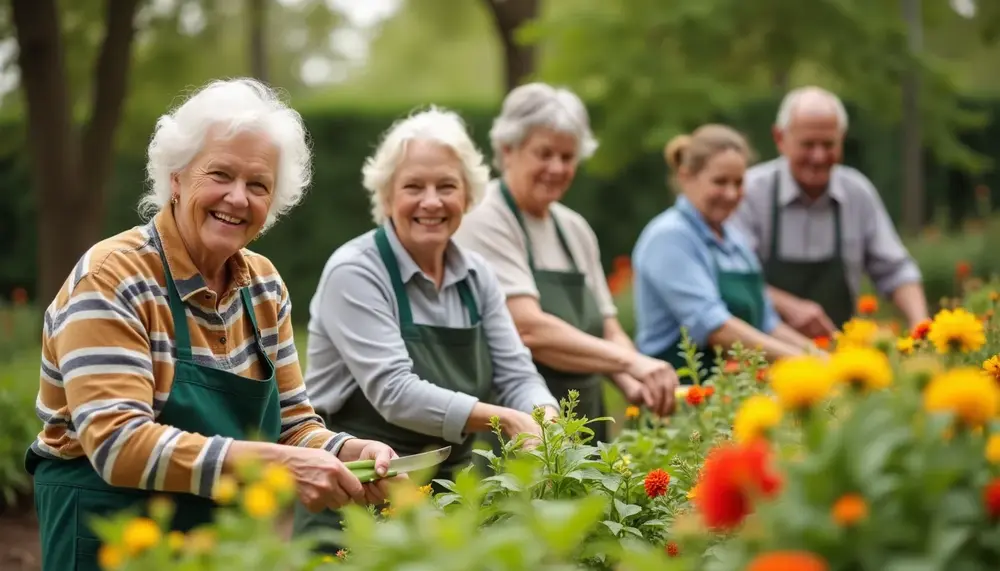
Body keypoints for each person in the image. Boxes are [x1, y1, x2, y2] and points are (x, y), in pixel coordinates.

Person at [26, 78, 400, 571]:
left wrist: (349, 451)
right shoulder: (114, 277)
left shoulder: (263, 286)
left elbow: (293, 426)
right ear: (177, 178)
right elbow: (117, 444)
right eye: (220, 174)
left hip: (221, 543)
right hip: (110, 537)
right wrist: (283, 467)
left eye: (258, 185)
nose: (238, 198)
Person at [292, 107, 560, 551]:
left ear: (468, 196)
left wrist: (545, 421)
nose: (431, 202)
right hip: (357, 500)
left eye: (447, 187)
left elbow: (518, 375)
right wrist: (504, 418)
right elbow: (394, 392)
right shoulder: (356, 271)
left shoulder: (478, 276)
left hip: (452, 502)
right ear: (387, 195)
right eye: (413, 186)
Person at [453, 83, 679, 442]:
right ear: (508, 150)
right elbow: (528, 328)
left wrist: (634, 383)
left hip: (585, 419)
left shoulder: (573, 229)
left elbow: (607, 327)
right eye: (544, 154)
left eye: (567, 156)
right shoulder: (484, 218)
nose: (556, 168)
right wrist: (632, 363)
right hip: (519, 430)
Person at [732, 86, 928, 338]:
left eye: (828, 144)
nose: (818, 156)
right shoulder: (749, 193)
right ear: (780, 138)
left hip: (839, 355)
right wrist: (787, 305)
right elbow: (734, 279)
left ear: (841, 139)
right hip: (758, 358)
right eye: (808, 144)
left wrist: (921, 324)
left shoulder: (857, 193)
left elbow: (896, 271)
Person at [632, 125, 815, 372]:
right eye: (720, 182)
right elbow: (715, 328)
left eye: (738, 183)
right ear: (687, 177)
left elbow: (768, 323)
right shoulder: (670, 237)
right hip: (684, 395)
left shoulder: (735, 242)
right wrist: (805, 362)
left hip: (732, 392)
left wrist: (820, 357)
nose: (731, 194)